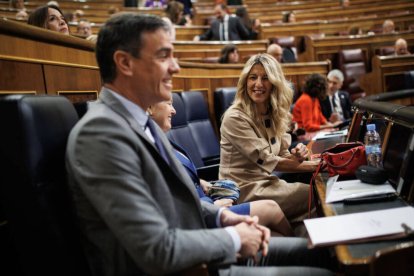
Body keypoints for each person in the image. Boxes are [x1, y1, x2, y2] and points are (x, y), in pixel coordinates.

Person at [66, 13, 335, 276]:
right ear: (125, 63)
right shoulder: (100, 135)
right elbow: (155, 250)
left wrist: (221, 218)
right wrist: (233, 239)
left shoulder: (144, 124)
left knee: (328, 252)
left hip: (202, 249)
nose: (175, 67)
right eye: (164, 56)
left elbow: (180, 200)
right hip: (189, 266)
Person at [149, 96, 294, 237]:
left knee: (272, 235)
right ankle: (305, 253)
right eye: (169, 104)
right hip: (202, 217)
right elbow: (174, 201)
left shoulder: (162, 139)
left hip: (208, 203)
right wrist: (213, 204)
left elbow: (181, 177)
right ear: (150, 108)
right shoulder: (152, 149)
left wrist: (202, 183)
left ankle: (294, 251)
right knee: (271, 208)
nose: (174, 111)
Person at [219, 54, 322, 236]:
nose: (258, 84)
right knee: (316, 195)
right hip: (242, 190)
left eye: (265, 78)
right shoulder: (235, 117)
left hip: (266, 183)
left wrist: (298, 153)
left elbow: (282, 155)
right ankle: (303, 247)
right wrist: (318, 166)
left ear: (275, 83)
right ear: (245, 82)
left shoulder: (272, 113)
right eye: (253, 77)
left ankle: (301, 246)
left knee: (315, 193)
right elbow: (269, 161)